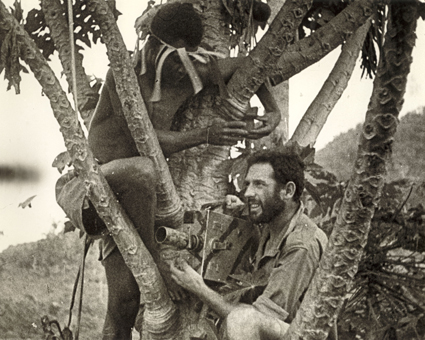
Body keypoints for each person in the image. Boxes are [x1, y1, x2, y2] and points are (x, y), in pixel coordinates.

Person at [55, 2, 281, 339]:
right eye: (163, 52)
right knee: (145, 171)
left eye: (182, 57)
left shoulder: (189, 69)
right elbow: (143, 137)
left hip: (135, 202)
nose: (174, 65)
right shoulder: (124, 73)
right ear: (153, 44)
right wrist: (203, 135)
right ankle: (155, 260)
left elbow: (250, 64)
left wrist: (273, 109)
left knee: (125, 304)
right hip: (98, 185)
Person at [170, 149, 330, 339]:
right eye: (248, 184)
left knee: (243, 319)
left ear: (288, 191)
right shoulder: (275, 221)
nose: (248, 192)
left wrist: (198, 287)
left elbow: (260, 319)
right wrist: (241, 207)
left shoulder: (302, 245)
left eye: (260, 185)